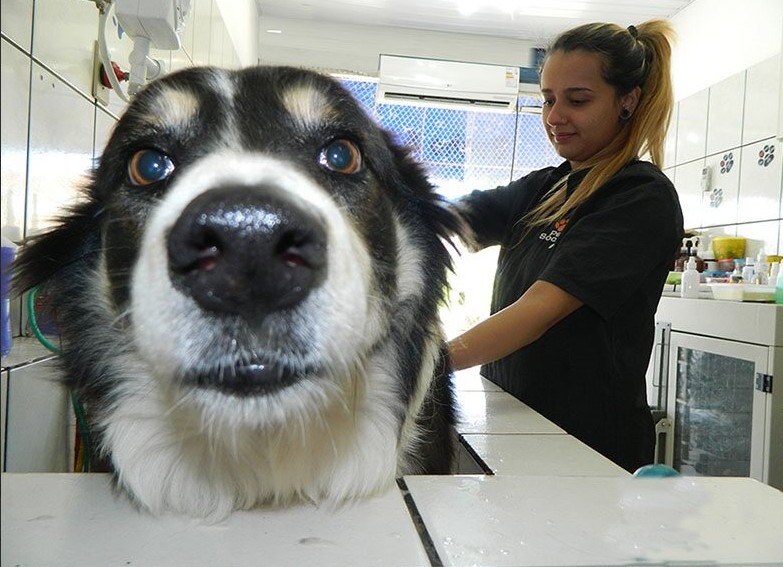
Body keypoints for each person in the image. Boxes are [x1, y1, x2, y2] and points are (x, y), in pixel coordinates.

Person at [447, 20, 684, 473]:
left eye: (577, 100)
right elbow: (441, 224)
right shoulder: (545, 187)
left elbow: (542, 308)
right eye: (548, 99)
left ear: (627, 101)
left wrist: (427, 363)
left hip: (586, 445)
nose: (555, 117)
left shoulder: (639, 196)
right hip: (514, 423)